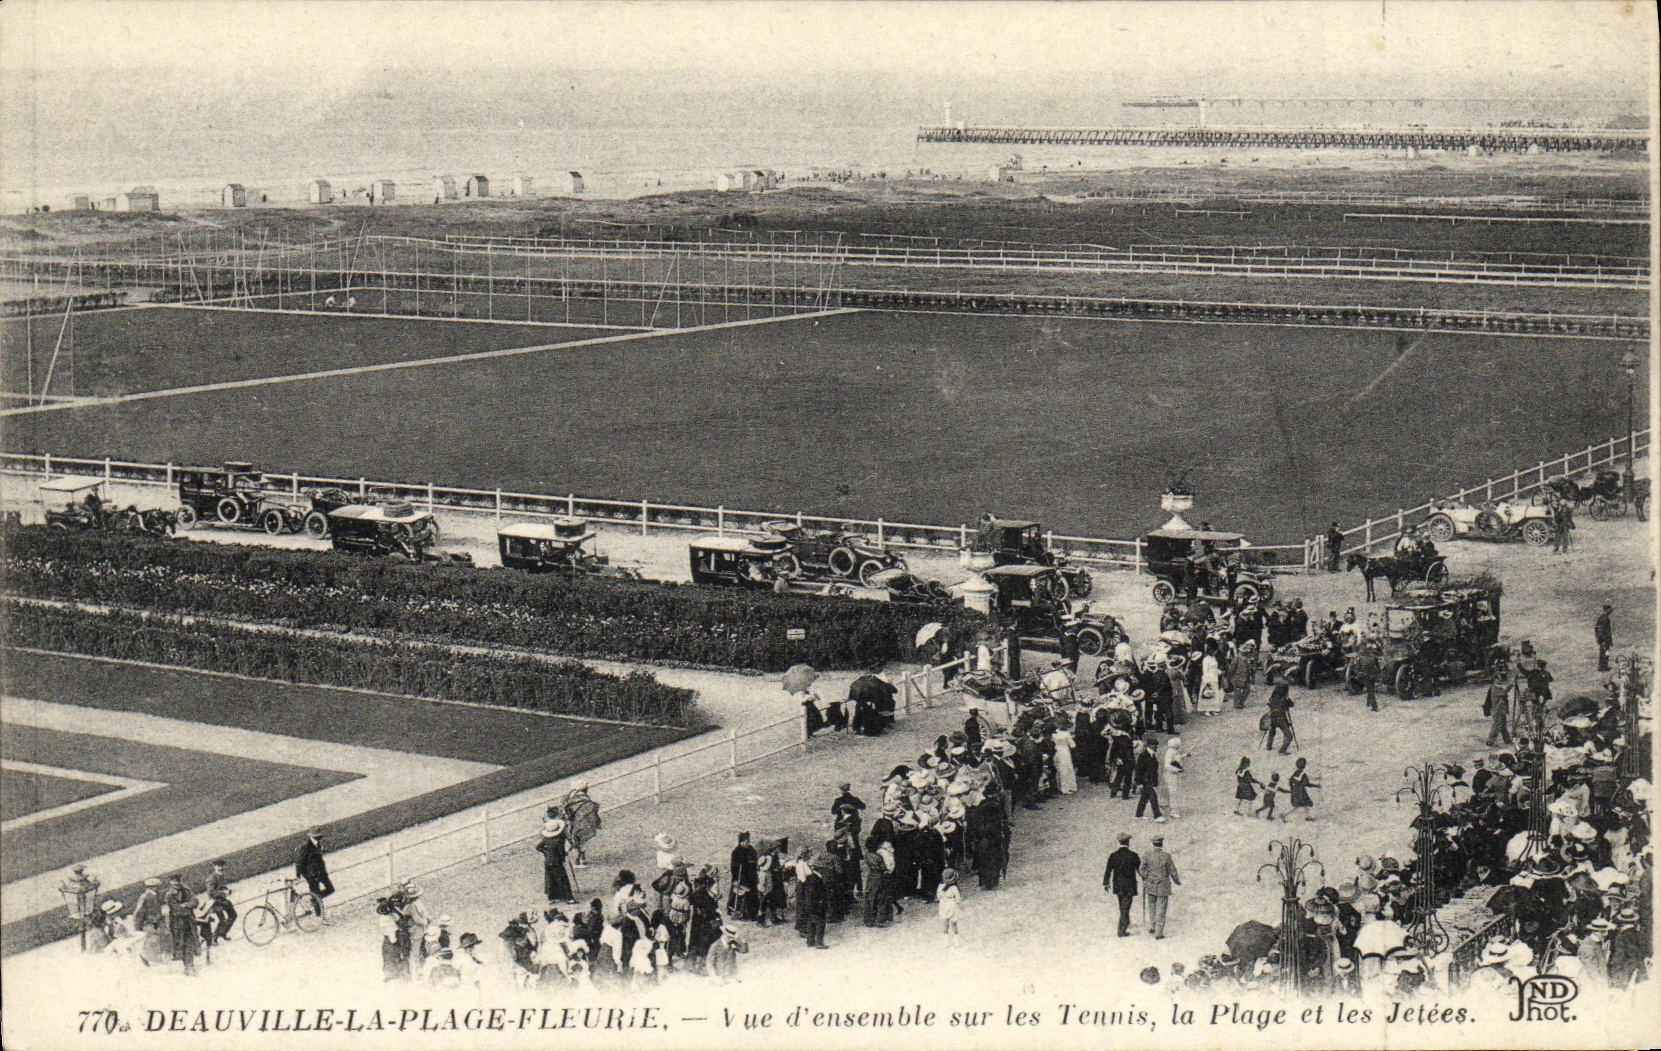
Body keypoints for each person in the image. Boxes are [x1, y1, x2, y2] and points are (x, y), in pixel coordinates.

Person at [1139, 835, 1180, 939]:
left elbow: (1141, 870)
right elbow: (1172, 871)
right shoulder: (1166, 856)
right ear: (1162, 843)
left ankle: (1152, 927)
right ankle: (1159, 933)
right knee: (1161, 909)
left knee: (1152, 906)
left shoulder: (1147, 855)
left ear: (1153, 844)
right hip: (1163, 886)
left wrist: (1149, 877)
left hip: (1150, 885)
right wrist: (1177, 881)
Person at [162, 873, 201, 975]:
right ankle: (186, 967)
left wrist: (185, 905)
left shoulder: (187, 890)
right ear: (171, 882)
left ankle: (190, 965)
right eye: (174, 881)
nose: (176, 883)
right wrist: (188, 906)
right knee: (181, 944)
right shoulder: (169, 895)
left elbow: (196, 902)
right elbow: (176, 909)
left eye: (178, 880)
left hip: (189, 921)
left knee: (190, 943)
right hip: (177, 923)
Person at [1103, 834, 1140, 938]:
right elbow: (1140, 870)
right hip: (1130, 885)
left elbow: (1108, 870)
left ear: (1119, 842)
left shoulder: (1113, 855)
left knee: (1122, 906)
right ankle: (1121, 930)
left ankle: (1125, 923)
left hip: (1118, 885)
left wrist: (1106, 883)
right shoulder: (1133, 855)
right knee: (1125, 907)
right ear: (1128, 842)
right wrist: (1146, 879)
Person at [295, 828, 335, 923]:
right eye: (316, 836)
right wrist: (298, 875)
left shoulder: (318, 844)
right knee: (316, 892)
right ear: (311, 836)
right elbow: (299, 861)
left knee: (330, 889)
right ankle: (319, 916)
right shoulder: (305, 846)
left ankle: (314, 900)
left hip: (321, 872)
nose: (319, 838)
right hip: (311, 875)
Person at [537, 819, 577, 905]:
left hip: (548, 861)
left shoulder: (546, 839)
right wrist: (565, 854)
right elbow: (561, 851)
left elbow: (538, 847)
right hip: (557, 861)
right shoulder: (559, 839)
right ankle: (569, 898)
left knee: (550, 879)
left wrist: (546, 852)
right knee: (563, 879)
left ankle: (552, 897)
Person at [728, 832, 759, 921]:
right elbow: (734, 867)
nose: (748, 843)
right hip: (741, 877)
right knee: (742, 895)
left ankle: (753, 914)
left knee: (753, 895)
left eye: (749, 841)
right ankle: (742, 914)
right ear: (741, 842)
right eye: (746, 841)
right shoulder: (736, 852)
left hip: (751, 877)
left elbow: (754, 862)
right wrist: (735, 879)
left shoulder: (751, 850)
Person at [205, 859, 236, 943]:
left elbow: (222, 887)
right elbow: (211, 893)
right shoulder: (211, 878)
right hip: (215, 902)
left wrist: (228, 890)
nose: (220, 868)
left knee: (233, 915)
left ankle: (223, 933)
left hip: (223, 901)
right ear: (214, 867)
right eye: (218, 866)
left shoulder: (221, 876)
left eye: (222, 866)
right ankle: (214, 938)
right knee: (222, 920)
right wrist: (223, 893)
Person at [1133, 738, 1164, 821]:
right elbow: (1138, 770)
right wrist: (1139, 782)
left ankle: (1138, 815)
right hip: (1145, 780)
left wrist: (1155, 782)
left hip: (1148, 780)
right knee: (1153, 797)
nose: (1156, 747)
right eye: (1155, 745)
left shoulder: (1151, 755)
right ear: (1149, 746)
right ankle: (1157, 815)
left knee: (1144, 797)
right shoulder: (1143, 755)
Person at [1265, 673, 1296, 754]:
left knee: (1272, 731)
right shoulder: (1284, 700)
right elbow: (1291, 704)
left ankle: (1268, 746)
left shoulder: (1272, 698)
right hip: (1280, 718)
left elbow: (1269, 704)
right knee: (1289, 735)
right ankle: (1282, 751)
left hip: (1272, 717)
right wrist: (1288, 699)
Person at [1485, 667, 1515, 746]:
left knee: (1503, 726)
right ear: (1494, 680)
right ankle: (1490, 741)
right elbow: (1503, 693)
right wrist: (1511, 684)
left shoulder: (1497, 688)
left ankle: (1507, 740)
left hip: (1501, 710)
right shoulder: (1495, 688)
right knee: (1497, 726)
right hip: (1498, 710)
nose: (1500, 680)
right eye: (1498, 679)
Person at [937, 868, 962, 946]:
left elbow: (938, 897)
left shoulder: (940, 886)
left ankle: (946, 942)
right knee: (954, 924)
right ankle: (956, 942)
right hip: (952, 905)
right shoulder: (954, 888)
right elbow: (958, 899)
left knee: (945, 924)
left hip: (943, 905)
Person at [1051, 723, 1078, 795]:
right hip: (1065, 751)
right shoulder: (1066, 734)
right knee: (1068, 768)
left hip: (1057, 750)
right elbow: (1072, 745)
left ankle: (1061, 787)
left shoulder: (1054, 733)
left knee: (1060, 768)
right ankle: (1069, 787)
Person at [1596, 603, 1614, 672]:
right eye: (1610, 610)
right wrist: (1604, 639)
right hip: (1605, 639)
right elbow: (1602, 630)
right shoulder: (1605, 619)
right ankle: (1604, 667)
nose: (1611, 611)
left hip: (1602, 639)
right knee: (1605, 653)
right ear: (1607, 610)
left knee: (1603, 652)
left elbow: (1597, 628)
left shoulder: (1601, 618)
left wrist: (1598, 638)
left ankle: (1602, 666)